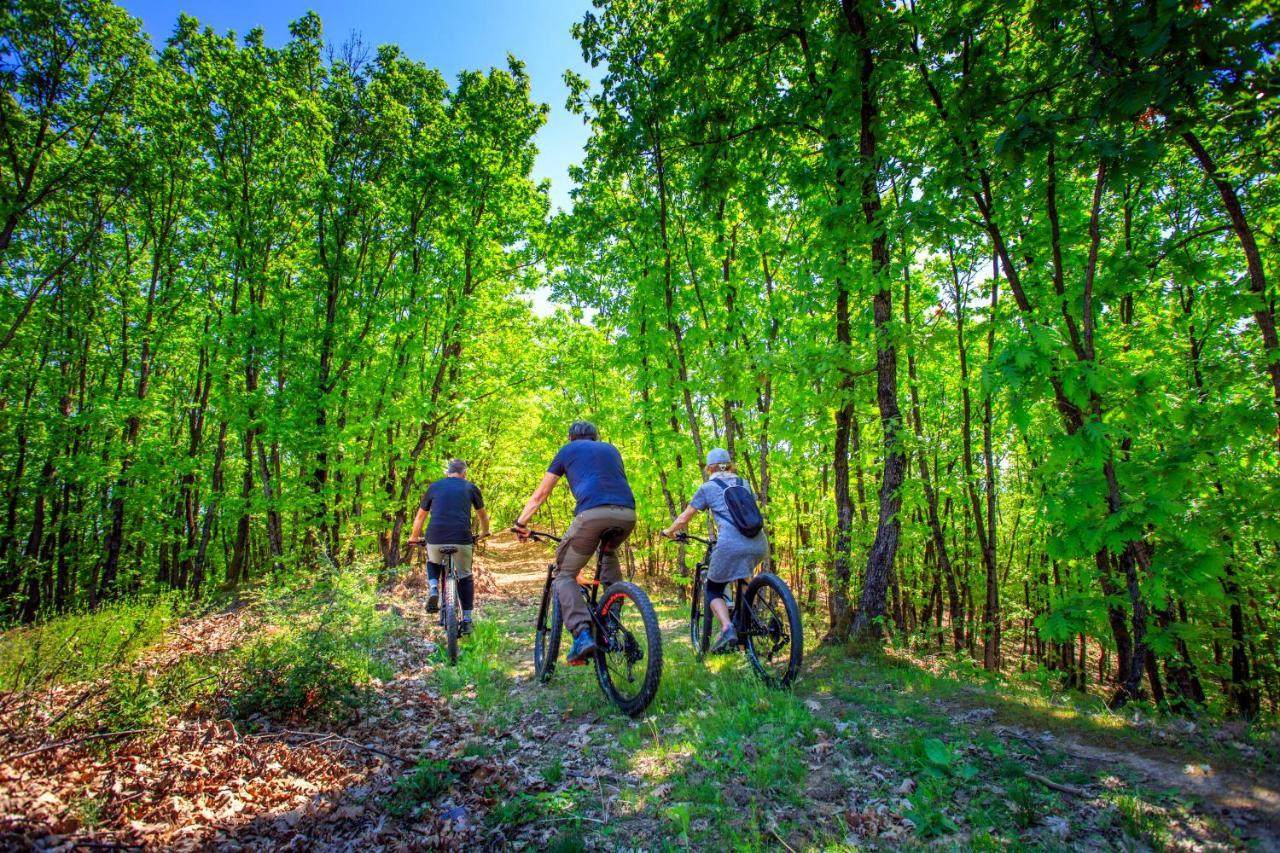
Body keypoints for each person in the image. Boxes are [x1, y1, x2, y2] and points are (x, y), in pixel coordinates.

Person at [513, 420, 636, 665]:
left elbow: (541, 494)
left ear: (571, 437)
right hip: (627, 515)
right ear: (595, 436)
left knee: (564, 575)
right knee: (608, 554)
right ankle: (611, 618)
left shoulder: (567, 450)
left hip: (591, 515)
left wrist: (521, 522)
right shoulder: (611, 450)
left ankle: (581, 634)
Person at [662, 448, 768, 653]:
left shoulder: (708, 487)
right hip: (759, 543)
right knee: (744, 576)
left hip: (731, 544)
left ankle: (727, 628)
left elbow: (685, 518)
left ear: (709, 467)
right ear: (729, 464)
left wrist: (669, 531)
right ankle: (745, 622)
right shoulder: (743, 483)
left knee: (712, 588)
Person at [408, 458, 489, 635]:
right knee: (465, 575)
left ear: (447, 472)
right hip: (462, 538)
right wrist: (484, 533)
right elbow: (482, 516)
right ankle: (467, 619)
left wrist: (414, 537)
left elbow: (420, 517)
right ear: (464, 473)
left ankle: (434, 588)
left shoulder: (434, 487)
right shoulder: (470, 487)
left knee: (433, 560)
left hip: (435, 538)